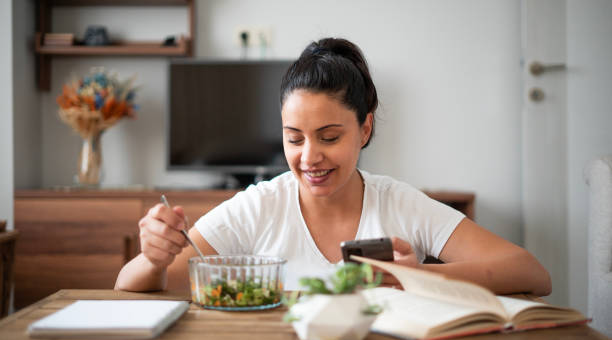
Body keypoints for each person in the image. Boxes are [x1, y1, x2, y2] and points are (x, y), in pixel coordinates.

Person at [115, 37, 552, 296]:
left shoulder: (399, 203)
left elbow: (531, 272)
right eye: (293, 138)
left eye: (329, 137)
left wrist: (416, 278)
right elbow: (131, 285)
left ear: (364, 129)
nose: (309, 157)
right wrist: (153, 260)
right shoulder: (258, 207)